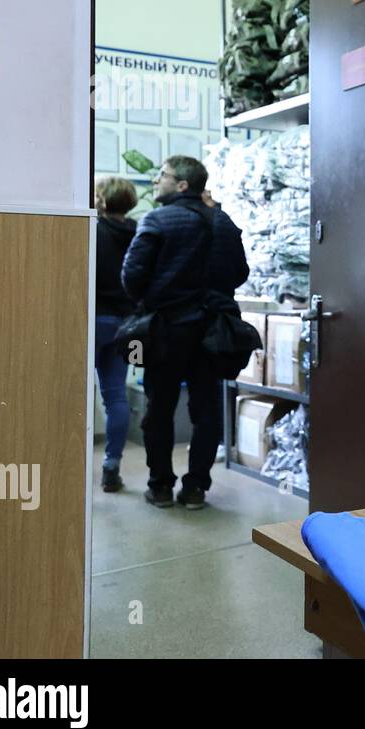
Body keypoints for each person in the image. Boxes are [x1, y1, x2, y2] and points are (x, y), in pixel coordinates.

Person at [121, 156, 249, 510]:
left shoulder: (157, 220)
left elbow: (131, 277)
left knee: (158, 410)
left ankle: (160, 485)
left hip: (165, 332)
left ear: (181, 185)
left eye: (162, 176)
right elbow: (239, 273)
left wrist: (158, 298)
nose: (156, 181)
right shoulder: (223, 222)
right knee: (206, 411)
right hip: (213, 334)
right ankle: (196, 489)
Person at [93, 176, 139, 493]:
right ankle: (112, 466)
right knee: (116, 397)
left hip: (92, 320)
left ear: (103, 200)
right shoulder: (139, 232)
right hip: (125, 324)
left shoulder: (92, 230)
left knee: (76, 397)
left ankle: (73, 467)